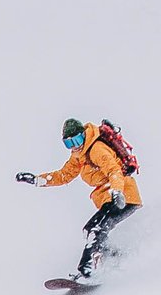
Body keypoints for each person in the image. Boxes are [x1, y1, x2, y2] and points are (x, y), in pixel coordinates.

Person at [16, 118, 142, 282]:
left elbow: (114, 171)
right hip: (111, 197)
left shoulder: (97, 149)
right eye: (69, 143)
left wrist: (117, 192)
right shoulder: (79, 157)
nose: (74, 146)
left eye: (77, 140)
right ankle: (114, 256)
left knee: (95, 230)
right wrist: (36, 180)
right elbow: (63, 175)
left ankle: (87, 270)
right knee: (91, 230)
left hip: (123, 196)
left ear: (84, 135)